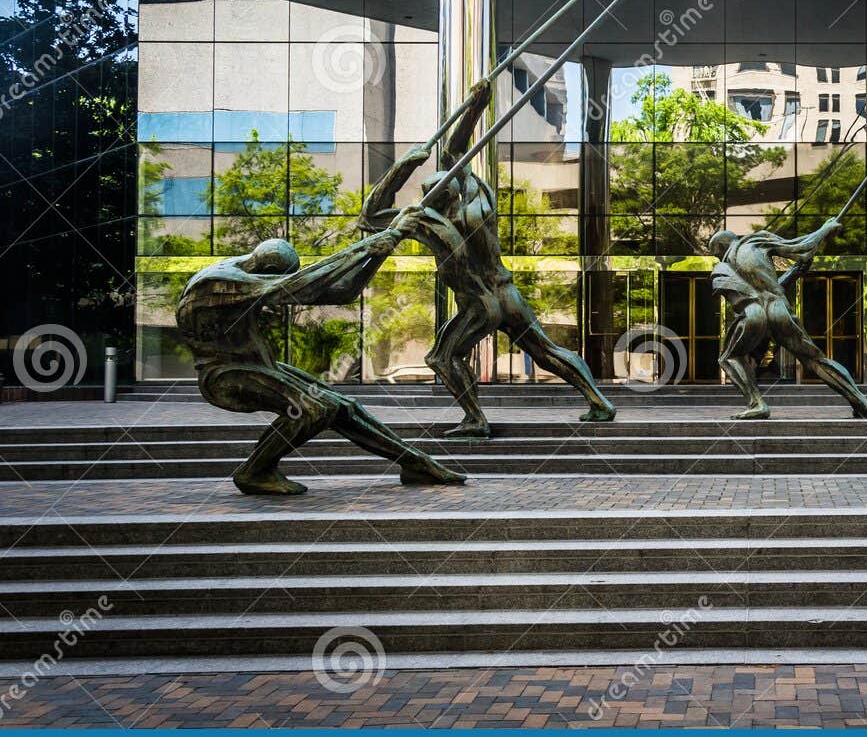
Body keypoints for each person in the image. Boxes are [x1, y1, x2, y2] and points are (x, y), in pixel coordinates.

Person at [362, 79, 616, 436]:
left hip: (479, 304)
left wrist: (400, 169)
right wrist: (477, 106)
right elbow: (455, 154)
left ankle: (475, 419)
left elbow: (368, 217)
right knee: (545, 350)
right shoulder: (480, 203)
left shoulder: (428, 223)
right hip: (506, 293)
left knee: (441, 357)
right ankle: (599, 401)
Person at [176, 225, 465, 496]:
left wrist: (379, 253)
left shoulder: (247, 269)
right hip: (225, 376)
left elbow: (342, 293)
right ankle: (254, 471)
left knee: (344, 407)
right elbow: (296, 285)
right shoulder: (218, 282)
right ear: (267, 269)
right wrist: (366, 246)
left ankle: (416, 463)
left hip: (256, 366)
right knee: (315, 408)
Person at [708, 217, 867, 420]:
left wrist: (799, 265)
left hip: (753, 314)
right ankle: (862, 402)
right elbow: (799, 248)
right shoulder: (756, 242)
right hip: (777, 308)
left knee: (728, 357)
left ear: (720, 247)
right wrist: (823, 230)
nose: (719, 259)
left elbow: (749, 297)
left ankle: (757, 404)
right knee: (815, 359)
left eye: (717, 254)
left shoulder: (721, 270)